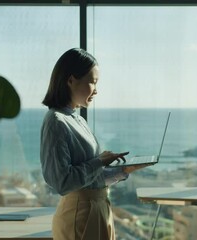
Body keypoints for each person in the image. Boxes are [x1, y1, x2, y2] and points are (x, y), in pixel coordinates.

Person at [40, 48, 151, 240]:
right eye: (93, 82)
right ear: (71, 80)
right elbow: (63, 183)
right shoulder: (56, 121)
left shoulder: (77, 119)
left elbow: (91, 180)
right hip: (80, 216)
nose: (96, 90)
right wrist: (99, 161)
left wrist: (125, 171)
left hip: (96, 211)